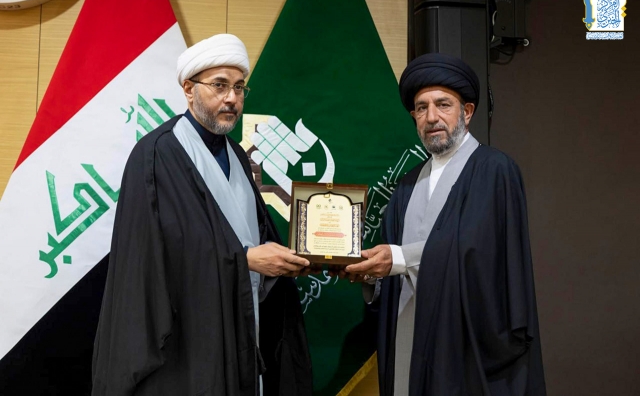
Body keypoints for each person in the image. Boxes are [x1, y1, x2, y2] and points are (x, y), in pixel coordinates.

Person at [92, 34, 313, 396]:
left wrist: (290, 259)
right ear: (189, 89)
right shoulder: (156, 154)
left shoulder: (238, 156)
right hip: (188, 341)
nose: (232, 98)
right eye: (219, 85)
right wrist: (243, 261)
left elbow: (253, 234)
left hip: (243, 324)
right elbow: (150, 260)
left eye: (239, 88)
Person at [343, 53, 546, 395]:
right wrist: (371, 274)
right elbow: (393, 270)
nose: (432, 117)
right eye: (421, 108)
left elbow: (479, 254)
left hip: (465, 342)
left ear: (467, 112)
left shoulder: (493, 170)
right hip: (410, 334)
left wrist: (400, 258)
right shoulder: (407, 185)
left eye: (443, 105)